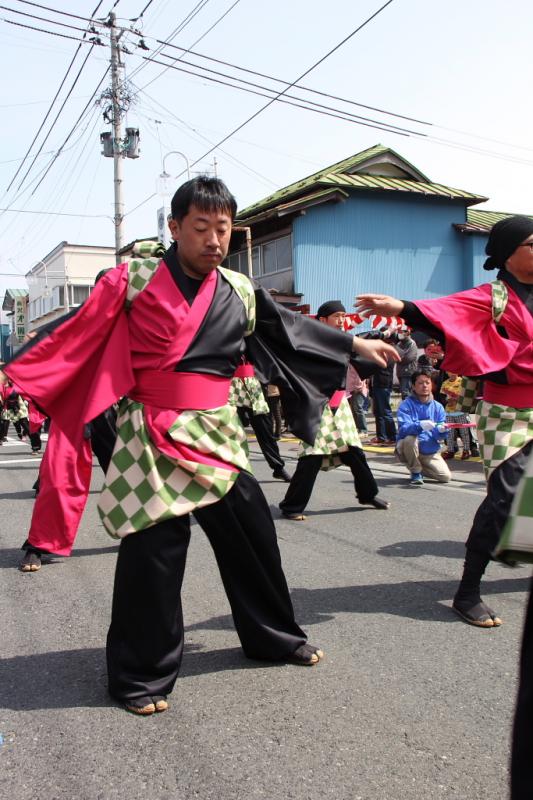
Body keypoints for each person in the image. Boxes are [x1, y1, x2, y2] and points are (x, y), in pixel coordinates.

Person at [4, 177, 398, 715]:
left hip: (216, 431)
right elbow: (77, 334)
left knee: (253, 532)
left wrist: (354, 342)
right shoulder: (133, 279)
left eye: (224, 228)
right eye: (202, 227)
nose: (215, 239)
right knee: (155, 555)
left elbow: (289, 330)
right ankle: (139, 676)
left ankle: (272, 637)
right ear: (174, 227)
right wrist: (27, 375)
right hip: (151, 434)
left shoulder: (237, 288)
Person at [355, 214, 533, 628]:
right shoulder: (495, 296)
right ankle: (467, 591)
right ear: (509, 254)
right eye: (532, 243)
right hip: (508, 412)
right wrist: (398, 307)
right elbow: (444, 312)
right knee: (504, 500)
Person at [279, 300, 392, 520]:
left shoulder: (343, 341)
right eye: (337, 316)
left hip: (339, 406)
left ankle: (368, 494)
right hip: (316, 405)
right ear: (322, 320)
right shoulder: (308, 341)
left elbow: (361, 359)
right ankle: (291, 506)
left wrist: (385, 339)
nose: (342, 320)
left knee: (354, 452)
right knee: (312, 457)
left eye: (343, 315)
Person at [229, 361, 291, 481]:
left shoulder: (255, 343)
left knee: (266, 431)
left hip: (254, 387)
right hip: (231, 388)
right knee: (231, 432)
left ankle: (278, 468)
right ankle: (234, 469)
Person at [395, 369, 451, 485]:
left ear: (432, 385)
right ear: (413, 386)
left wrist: (442, 430)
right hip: (409, 446)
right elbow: (403, 429)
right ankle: (415, 472)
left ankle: (417, 466)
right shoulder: (406, 405)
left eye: (427, 382)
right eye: (420, 383)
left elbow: (439, 435)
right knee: (410, 439)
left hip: (429, 450)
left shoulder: (438, 407)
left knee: (445, 477)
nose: (424, 386)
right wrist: (420, 425)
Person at [440, 372, 478, 460]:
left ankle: (466, 450)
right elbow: (441, 397)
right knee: (449, 432)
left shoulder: (462, 382)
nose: (452, 373)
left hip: (461, 411)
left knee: (464, 432)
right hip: (449, 412)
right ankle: (451, 450)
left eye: (454, 371)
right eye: (450, 371)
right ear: (446, 372)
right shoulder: (444, 383)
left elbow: (467, 395)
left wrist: (457, 400)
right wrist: (447, 401)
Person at [395, 326, 418, 399]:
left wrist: (399, 358)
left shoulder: (412, 343)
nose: (399, 333)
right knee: (404, 393)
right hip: (400, 373)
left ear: (407, 333)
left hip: (408, 372)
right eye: (398, 332)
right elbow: (394, 356)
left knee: (407, 393)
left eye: (401, 332)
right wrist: (400, 357)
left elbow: (409, 358)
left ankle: (409, 409)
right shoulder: (398, 344)